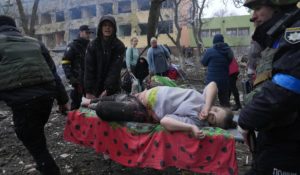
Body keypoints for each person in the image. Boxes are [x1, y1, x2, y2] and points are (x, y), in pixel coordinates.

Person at [0, 16, 69, 175]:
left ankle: (49, 168)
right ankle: (42, 161)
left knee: (28, 136)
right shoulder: (34, 42)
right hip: (46, 98)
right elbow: (53, 73)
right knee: (35, 133)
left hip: (22, 99)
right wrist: (63, 101)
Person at [237, 1, 300, 174]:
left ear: (277, 7)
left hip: (289, 144)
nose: (253, 16)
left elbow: (288, 86)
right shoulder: (277, 37)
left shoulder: (294, 34)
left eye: (258, 8)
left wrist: (246, 119)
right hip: (277, 136)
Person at [82, 82, 235, 138]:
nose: (210, 113)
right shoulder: (204, 100)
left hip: (145, 109)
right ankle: (90, 101)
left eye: (213, 118)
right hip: (144, 95)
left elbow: (165, 121)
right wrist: (208, 105)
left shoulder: (196, 120)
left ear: (211, 125)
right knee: (119, 97)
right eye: (215, 109)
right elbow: (212, 85)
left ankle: (94, 105)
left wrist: (191, 128)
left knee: (104, 108)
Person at [84, 15, 125, 99]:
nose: (107, 28)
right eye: (105, 25)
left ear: (114, 28)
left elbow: (115, 70)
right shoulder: (93, 45)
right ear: (100, 27)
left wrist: (107, 90)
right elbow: (89, 69)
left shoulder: (119, 46)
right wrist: (89, 90)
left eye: (110, 26)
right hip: (95, 88)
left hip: (112, 88)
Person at [62, 25, 91, 110]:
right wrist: (70, 77)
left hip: (89, 80)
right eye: (87, 33)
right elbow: (65, 62)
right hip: (77, 81)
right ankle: (74, 121)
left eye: (89, 33)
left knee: (89, 103)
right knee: (76, 104)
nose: (88, 35)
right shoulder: (73, 46)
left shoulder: (90, 45)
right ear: (81, 32)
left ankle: (86, 122)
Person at [201, 34, 233, 107]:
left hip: (212, 81)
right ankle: (226, 117)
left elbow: (203, 63)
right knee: (225, 101)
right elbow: (230, 61)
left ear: (214, 41)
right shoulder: (228, 50)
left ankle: (209, 116)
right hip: (224, 80)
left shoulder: (210, 50)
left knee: (209, 102)